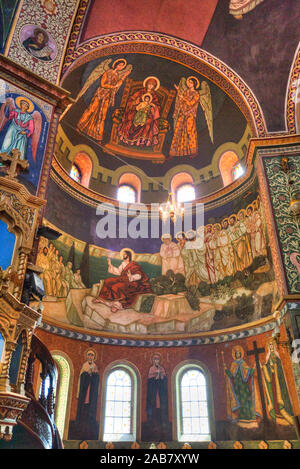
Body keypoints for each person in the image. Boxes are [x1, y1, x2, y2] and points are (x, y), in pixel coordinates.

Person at [77, 58, 131, 143]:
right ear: (116, 64)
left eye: (122, 66)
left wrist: (124, 76)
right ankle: (80, 126)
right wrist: (113, 87)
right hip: (100, 93)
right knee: (91, 109)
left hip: (107, 96)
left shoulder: (117, 76)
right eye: (120, 65)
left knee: (102, 115)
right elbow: (103, 84)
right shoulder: (107, 72)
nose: (120, 67)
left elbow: (118, 84)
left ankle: (98, 135)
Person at [169, 76, 213, 158]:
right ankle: (173, 153)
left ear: (194, 84)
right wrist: (176, 112)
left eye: (190, 82)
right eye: (188, 82)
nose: (188, 84)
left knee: (190, 132)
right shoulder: (186, 92)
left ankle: (194, 152)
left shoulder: (196, 94)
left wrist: (183, 98)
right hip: (182, 113)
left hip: (190, 115)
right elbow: (180, 101)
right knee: (177, 131)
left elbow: (190, 103)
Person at [224, 345, 262, 428]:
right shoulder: (233, 364)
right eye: (236, 353)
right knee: (239, 401)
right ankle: (240, 418)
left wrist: (253, 368)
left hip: (244, 386)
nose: (238, 355)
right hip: (237, 386)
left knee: (247, 400)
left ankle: (250, 418)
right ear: (235, 355)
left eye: (239, 353)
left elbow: (248, 371)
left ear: (241, 354)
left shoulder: (243, 362)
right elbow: (231, 375)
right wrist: (226, 370)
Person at [118, 76, 161, 148]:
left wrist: (153, 106)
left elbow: (158, 107)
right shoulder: (140, 92)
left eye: (152, 85)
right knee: (130, 117)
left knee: (148, 122)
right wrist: (135, 102)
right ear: (146, 84)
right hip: (136, 110)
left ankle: (140, 141)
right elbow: (131, 99)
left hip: (148, 113)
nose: (150, 86)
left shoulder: (154, 96)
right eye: (149, 84)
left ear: (154, 86)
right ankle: (127, 139)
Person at [261, 339, 294, 426]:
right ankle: (277, 417)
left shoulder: (277, 355)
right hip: (272, 381)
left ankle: (286, 414)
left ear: (274, 346)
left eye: (272, 345)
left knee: (282, 397)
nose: (271, 347)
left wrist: (276, 366)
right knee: (274, 396)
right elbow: (267, 366)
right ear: (268, 347)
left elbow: (280, 366)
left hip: (279, 381)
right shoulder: (268, 357)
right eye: (270, 345)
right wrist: (264, 367)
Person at [76, 349, 100, 427]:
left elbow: (96, 377)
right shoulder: (84, 365)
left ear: (94, 357)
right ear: (87, 356)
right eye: (89, 355)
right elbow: (81, 377)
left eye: (92, 355)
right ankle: (80, 421)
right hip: (84, 389)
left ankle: (91, 420)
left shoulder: (95, 366)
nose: (90, 357)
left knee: (91, 403)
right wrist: (86, 375)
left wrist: (93, 375)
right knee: (83, 404)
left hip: (91, 389)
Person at [146, 354, 169, 428]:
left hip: (160, 390)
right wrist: (155, 377)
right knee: (152, 403)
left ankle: (163, 421)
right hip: (153, 390)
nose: (156, 361)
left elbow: (165, 379)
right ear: (153, 360)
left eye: (158, 359)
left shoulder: (161, 368)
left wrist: (161, 376)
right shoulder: (151, 369)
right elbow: (150, 379)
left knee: (163, 403)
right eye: (155, 359)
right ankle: (152, 421)